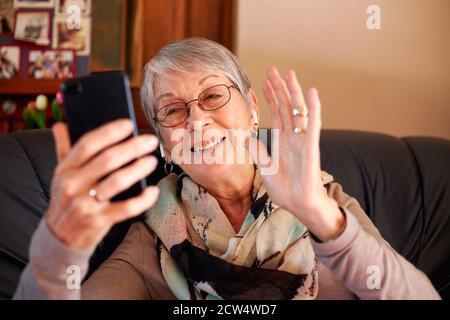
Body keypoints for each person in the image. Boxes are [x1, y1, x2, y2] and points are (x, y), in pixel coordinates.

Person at [14, 38, 440, 300]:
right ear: (165, 145)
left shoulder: (324, 201)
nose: (197, 121)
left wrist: (320, 216)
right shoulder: (154, 233)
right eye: (173, 110)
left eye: (214, 96)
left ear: (253, 109)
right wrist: (57, 248)